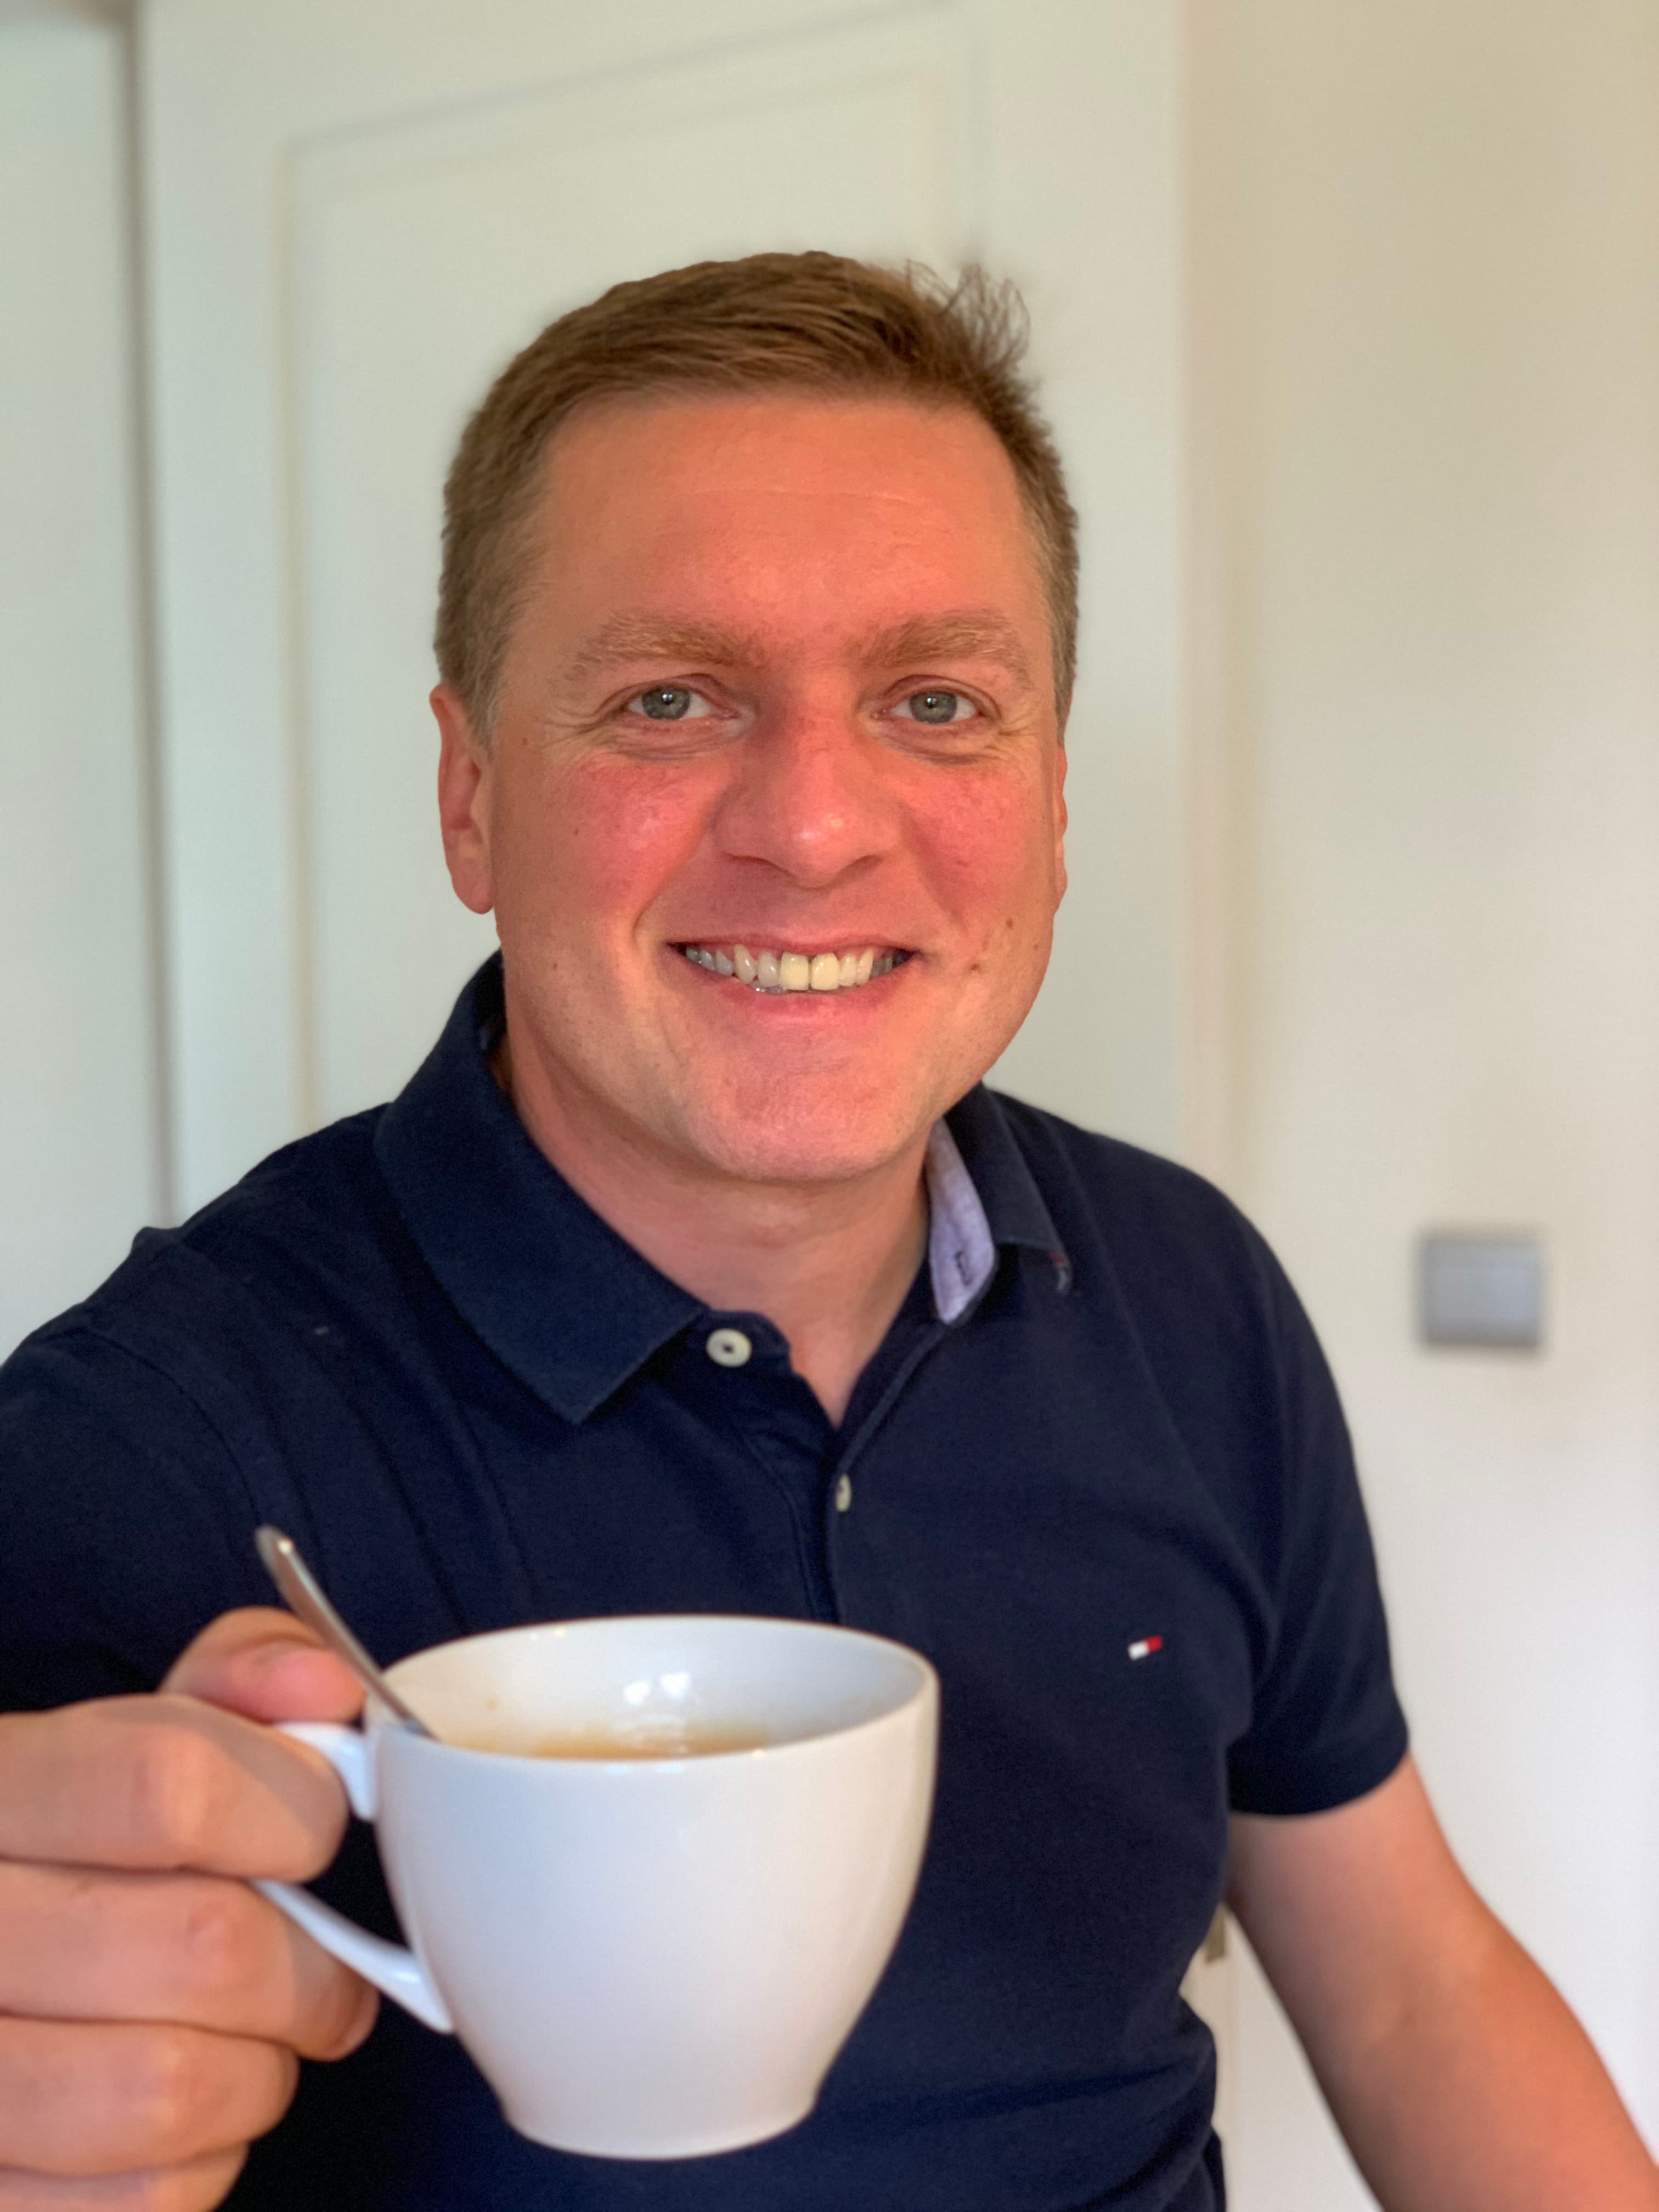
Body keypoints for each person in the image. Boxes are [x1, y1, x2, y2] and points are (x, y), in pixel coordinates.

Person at [0, 253, 1651, 2212]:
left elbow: (1408, 1984)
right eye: (669, 699)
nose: (813, 826)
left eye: (937, 703)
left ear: (1051, 803)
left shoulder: (1192, 1293)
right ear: (471, 795)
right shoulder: (135, 1443)